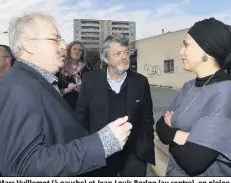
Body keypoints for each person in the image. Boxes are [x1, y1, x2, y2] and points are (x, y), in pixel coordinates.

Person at [0, 13, 132, 176]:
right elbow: (23, 167)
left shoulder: (36, 82)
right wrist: (101, 144)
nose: (63, 46)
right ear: (29, 45)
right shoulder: (18, 87)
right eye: (56, 40)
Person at [156, 17, 231, 177]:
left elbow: (194, 160)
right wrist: (181, 137)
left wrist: (170, 133)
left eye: (186, 45)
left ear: (205, 50)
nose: (181, 51)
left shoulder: (229, 90)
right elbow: (159, 125)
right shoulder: (188, 86)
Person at [76, 34, 155, 177]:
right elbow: (81, 117)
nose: (124, 57)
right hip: (100, 154)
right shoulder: (90, 80)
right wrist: (88, 149)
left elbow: (147, 118)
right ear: (106, 58)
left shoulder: (141, 82)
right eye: (118, 53)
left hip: (133, 155)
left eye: (126, 53)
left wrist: (143, 148)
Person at [57, 41, 93, 110]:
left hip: (83, 106)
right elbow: (54, 86)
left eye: (80, 50)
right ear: (69, 50)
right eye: (74, 49)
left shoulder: (88, 67)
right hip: (64, 106)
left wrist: (84, 89)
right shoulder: (61, 66)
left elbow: (93, 86)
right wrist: (66, 90)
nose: (77, 51)